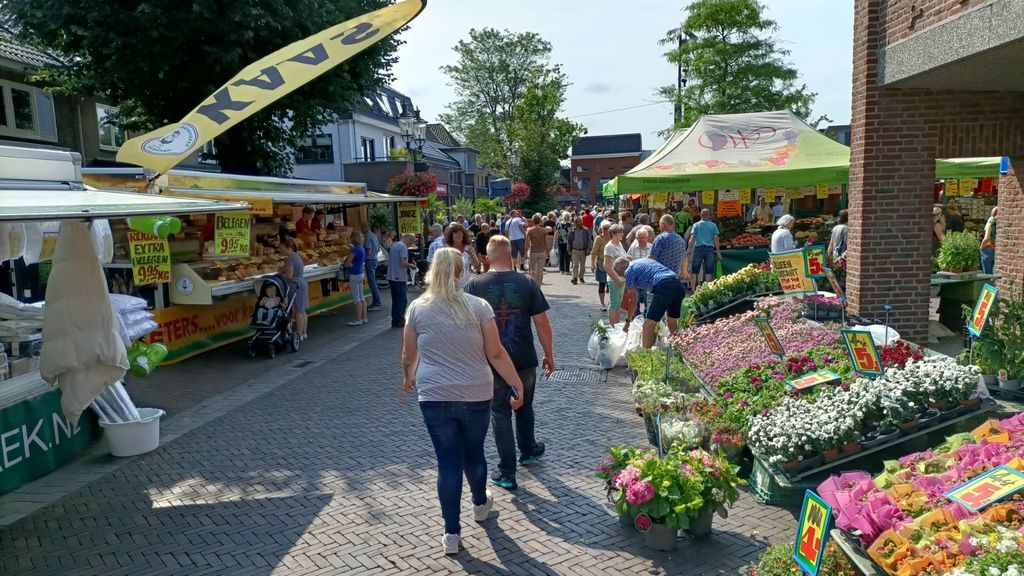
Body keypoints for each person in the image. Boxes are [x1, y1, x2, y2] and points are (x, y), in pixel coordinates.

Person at [401, 247, 524, 555]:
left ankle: (451, 534)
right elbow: (495, 352)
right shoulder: (478, 306)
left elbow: (409, 354)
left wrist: (409, 376)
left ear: (432, 272)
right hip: (476, 392)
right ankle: (480, 505)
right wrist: (515, 382)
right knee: (474, 454)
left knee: (447, 462)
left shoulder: (417, 308)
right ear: (460, 272)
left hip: (434, 395)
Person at [465, 236, 553, 491]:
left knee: (499, 413)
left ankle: (507, 471)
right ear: (510, 255)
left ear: (487, 257)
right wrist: (549, 353)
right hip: (523, 359)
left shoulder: (474, 286)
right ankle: (528, 450)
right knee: (524, 406)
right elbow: (542, 322)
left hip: (491, 362)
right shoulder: (526, 282)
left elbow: (468, 328)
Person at [615, 257, 685, 349]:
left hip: (663, 286)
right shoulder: (642, 261)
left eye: (619, 273)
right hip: (677, 285)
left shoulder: (629, 271)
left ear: (622, 268)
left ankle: (646, 357)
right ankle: (682, 350)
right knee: (672, 323)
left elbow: (632, 300)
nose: (621, 276)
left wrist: (628, 322)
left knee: (648, 326)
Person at [277, 237, 309, 340]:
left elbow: (289, 276)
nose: (280, 251)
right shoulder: (297, 256)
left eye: (282, 248)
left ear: (289, 248)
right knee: (302, 310)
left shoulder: (290, 258)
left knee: (298, 311)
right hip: (301, 283)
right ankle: (303, 333)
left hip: (295, 285)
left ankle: (298, 335)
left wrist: (280, 275)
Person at [687, 209, 722, 288]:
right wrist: (718, 252)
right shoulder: (713, 225)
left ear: (700, 215)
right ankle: (708, 288)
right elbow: (716, 239)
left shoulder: (696, 225)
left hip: (698, 248)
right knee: (708, 270)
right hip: (709, 249)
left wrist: (689, 249)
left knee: (694, 270)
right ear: (709, 215)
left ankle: (693, 289)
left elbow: (692, 238)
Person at [387, 233, 416, 328]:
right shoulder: (403, 247)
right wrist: (411, 265)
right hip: (399, 277)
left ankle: (394, 320)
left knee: (395, 300)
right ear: (407, 238)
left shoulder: (394, 245)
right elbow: (403, 263)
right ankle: (400, 320)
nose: (411, 244)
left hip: (391, 276)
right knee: (402, 300)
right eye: (411, 241)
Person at [604, 224, 628, 326]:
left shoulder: (619, 244)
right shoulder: (610, 247)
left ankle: (617, 326)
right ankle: (612, 326)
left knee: (618, 304)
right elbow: (606, 265)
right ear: (613, 234)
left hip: (622, 279)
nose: (622, 234)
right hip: (615, 280)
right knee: (614, 304)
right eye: (619, 233)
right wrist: (617, 279)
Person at [445, 223, 479, 289]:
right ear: (451, 235)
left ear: (464, 235)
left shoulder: (468, 248)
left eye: (460, 233)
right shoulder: (446, 249)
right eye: (456, 233)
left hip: (466, 285)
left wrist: (473, 256)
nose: (458, 235)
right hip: (450, 285)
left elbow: (477, 268)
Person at [346, 230, 368, 326]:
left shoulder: (354, 250)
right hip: (360, 273)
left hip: (354, 274)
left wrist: (349, 259)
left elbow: (347, 263)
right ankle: (365, 317)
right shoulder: (361, 248)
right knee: (362, 296)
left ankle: (358, 319)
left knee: (356, 298)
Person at [362, 223, 383, 311]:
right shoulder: (374, 236)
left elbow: (368, 252)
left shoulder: (367, 237)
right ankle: (375, 302)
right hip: (375, 260)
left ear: (364, 227)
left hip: (369, 260)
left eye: (361, 228)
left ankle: (377, 303)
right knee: (373, 282)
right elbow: (378, 249)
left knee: (372, 283)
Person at [592, 221, 611, 311]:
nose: (606, 231)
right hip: (601, 263)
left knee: (612, 285)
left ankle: (612, 302)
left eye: (608, 228)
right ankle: (602, 303)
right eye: (604, 229)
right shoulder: (599, 238)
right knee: (602, 283)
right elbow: (594, 251)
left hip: (612, 264)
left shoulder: (613, 238)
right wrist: (592, 263)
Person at [525, 213, 549, 285]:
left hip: (533, 252)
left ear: (533, 221)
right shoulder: (544, 230)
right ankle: (539, 287)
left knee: (533, 271)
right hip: (542, 251)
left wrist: (526, 252)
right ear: (540, 221)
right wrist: (547, 252)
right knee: (540, 271)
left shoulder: (529, 230)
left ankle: (533, 286)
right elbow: (546, 242)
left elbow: (527, 243)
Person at [569, 216, 593, 285]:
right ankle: (574, 278)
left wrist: (589, 248)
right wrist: (569, 249)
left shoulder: (585, 230)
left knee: (582, 266)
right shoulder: (572, 231)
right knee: (575, 265)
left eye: (581, 221)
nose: (581, 222)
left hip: (583, 250)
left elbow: (589, 240)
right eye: (579, 221)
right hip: (575, 250)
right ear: (576, 222)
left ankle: (581, 277)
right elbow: (569, 241)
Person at [981, 207, 997, 274]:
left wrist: (981, 247)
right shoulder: (999, 223)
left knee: (987, 273)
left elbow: (986, 238)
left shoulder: (990, 222)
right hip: (996, 247)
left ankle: (988, 284)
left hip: (988, 247)